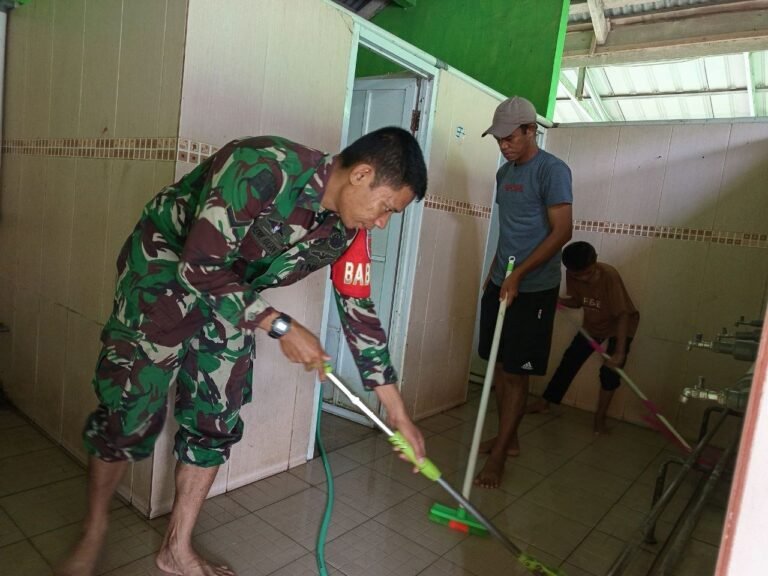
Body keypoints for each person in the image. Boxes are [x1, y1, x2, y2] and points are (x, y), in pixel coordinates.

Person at [57, 127, 428, 576]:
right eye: (386, 207)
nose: (383, 221)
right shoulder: (263, 164)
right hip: (164, 272)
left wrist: (398, 415)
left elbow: (359, 313)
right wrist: (282, 326)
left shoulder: (347, 232)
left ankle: (176, 548)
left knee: (217, 415)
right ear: (361, 175)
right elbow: (199, 265)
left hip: (235, 297)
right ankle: (94, 528)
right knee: (130, 408)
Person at [474, 96, 573, 490]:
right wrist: (496, 273)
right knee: (497, 364)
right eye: (498, 140)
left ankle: (499, 457)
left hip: (534, 288)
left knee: (516, 373)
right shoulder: (504, 174)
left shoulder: (553, 171)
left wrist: (520, 276)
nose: (504, 146)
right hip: (503, 279)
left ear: (532, 131)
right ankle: (508, 438)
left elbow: (562, 232)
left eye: (510, 138)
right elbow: (509, 229)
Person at [527, 241, 640, 435]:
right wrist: (559, 301)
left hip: (621, 325)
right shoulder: (572, 274)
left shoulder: (609, 276)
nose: (584, 278)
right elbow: (578, 302)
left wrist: (619, 352)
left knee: (610, 373)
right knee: (570, 360)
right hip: (594, 324)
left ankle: (600, 419)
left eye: (587, 273)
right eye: (578, 275)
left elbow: (622, 315)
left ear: (595, 259)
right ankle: (544, 402)